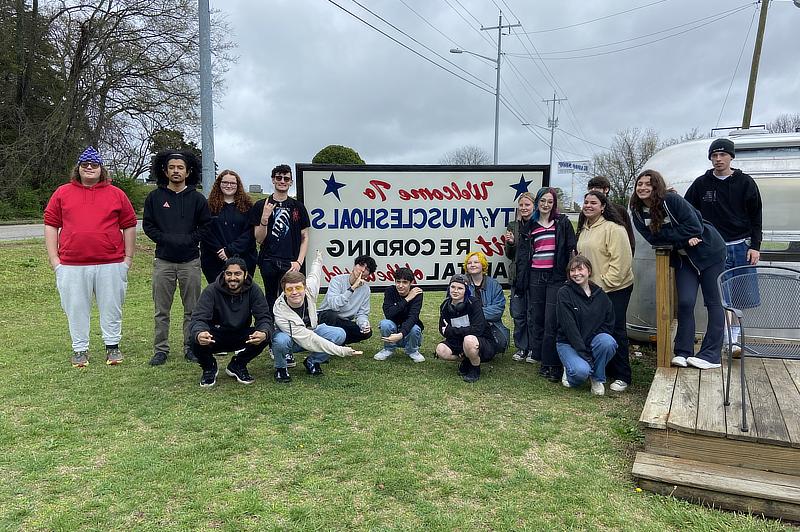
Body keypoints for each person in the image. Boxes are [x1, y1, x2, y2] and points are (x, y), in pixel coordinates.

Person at [44, 146, 137, 367]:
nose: (89, 168)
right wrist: (54, 259)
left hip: (111, 263)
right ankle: (79, 349)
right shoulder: (62, 193)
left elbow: (129, 226)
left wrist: (128, 259)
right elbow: (50, 224)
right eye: (85, 165)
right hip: (71, 264)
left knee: (111, 306)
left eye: (94, 165)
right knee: (75, 307)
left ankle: (112, 346)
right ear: (78, 168)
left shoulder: (117, 194)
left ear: (101, 168)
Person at [630, 170, 726, 370]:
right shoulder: (637, 212)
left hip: (709, 254)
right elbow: (653, 240)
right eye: (640, 184)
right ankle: (683, 351)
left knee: (713, 302)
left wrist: (670, 236)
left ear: (657, 186)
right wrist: (682, 240)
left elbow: (695, 227)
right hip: (683, 258)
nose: (643, 187)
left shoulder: (671, 200)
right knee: (685, 302)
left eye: (649, 184)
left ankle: (711, 354)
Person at [684, 138, 763, 352]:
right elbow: (687, 212)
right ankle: (724, 339)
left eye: (722, 155)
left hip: (740, 245)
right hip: (712, 248)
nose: (718, 159)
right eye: (714, 156)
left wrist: (755, 246)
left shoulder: (745, 182)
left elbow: (756, 217)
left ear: (731, 157)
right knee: (719, 296)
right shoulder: (701, 184)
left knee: (738, 295)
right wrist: (693, 234)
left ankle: (734, 340)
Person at [143, 149, 211, 366]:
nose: (176, 171)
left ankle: (190, 347)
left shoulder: (197, 199)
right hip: (163, 262)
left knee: (192, 310)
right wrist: (165, 239)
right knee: (161, 310)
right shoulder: (155, 197)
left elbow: (206, 226)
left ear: (188, 171)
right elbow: (148, 226)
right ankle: (160, 350)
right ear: (164, 170)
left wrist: (189, 240)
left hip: (190, 262)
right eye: (172, 167)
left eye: (180, 167)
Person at [505, 188, 576, 382]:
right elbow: (523, 256)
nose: (546, 204)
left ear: (554, 204)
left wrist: (570, 274)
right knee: (536, 319)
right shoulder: (531, 226)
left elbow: (571, 249)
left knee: (550, 319)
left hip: (555, 276)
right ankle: (538, 355)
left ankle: (550, 362)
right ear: (538, 203)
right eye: (542, 201)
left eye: (550, 201)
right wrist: (521, 279)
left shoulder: (562, 223)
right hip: (534, 276)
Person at [576, 191, 634, 392]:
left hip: (615, 289)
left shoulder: (614, 228)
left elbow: (622, 262)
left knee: (616, 329)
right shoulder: (584, 229)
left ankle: (622, 375)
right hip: (592, 289)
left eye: (594, 202)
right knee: (598, 330)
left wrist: (605, 284)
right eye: (586, 202)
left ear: (603, 207)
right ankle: (605, 369)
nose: (588, 206)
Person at [272, 251, 361, 382]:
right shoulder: (280, 310)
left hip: (311, 330)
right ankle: (281, 368)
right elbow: (309, 338)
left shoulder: (310, 289)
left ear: (305, 287)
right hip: (292, 339)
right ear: (284, 291)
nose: (295, 293)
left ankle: (312, 361)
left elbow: (315, 274)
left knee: (339, 334)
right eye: (290, 290)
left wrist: (318, 258)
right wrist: (342, 351)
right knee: (280, 341)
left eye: (298, 288)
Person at [189, 257, 273, 387]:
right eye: (229, 274)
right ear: (224, 274)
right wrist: (200, 333)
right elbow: (198, 318)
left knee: (266, 335)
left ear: (245, 274)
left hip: (241, 334)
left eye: (237, 274)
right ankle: (209, 367)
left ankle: (237, 365)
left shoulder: (254, 290)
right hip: (215, 335)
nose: (232, 278)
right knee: (194, 338)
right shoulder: (211, 290)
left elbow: (264, 317)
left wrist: (263, 332)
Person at [250, 164, 310, 312]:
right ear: (273, 180)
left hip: (291, 261)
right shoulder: (261, 205)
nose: (282, 181)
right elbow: (259, 238)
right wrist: (264, 218)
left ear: (291, 182)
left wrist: (299, 262)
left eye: (286, 178)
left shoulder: (298, 206)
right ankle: (270, 328)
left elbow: (305, 236)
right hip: (268, 260)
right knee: (270, 297)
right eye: (279, 177)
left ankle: (291, 329)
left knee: (292, 296)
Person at [556, 255, 617, 396]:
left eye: (580, 269)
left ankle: (597, 378)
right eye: (572, 270)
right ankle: (570, 371)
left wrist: (590, 345)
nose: (576, 274)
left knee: (607, 342)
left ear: (589, 271)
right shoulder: (564, 293)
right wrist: (584, 353)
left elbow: (609, 323)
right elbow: (569, 327)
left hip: (591, 342)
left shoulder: (600, 295)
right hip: (569, 343)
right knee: (580, 373)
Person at [435, 274, 496, 383]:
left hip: (481, 341)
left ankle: (475, 368)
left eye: (460, 288)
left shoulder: (474, 303)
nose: (455, 291)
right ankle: (467, 359)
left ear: (466, 290)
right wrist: (451, 333)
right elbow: (443, 330)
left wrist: (452, 331)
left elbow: (478, 329)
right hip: (458, 341)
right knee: (440, 350)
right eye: (453, 287)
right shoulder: (445, 306)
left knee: (469, 340)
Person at [200, 170, 257, 283]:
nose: (229, 185)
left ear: (238, 185)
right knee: (217, 295)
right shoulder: (208, 206)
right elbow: (205, 230)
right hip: (213, 259)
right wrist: (220, 251)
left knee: (242, 294)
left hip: (243, 258)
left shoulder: (248, 207)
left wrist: (230, 250)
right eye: (225, 182)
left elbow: (250, 233)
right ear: (219, 184)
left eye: (232, 183)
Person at [318, 255, 377, 345]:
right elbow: (334, 305)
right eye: (361, 265)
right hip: (325, 317)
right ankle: (324, 343)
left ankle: (339, 341)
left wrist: (364, 324)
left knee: (366, 333)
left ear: (368, 275)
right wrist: (352, 288)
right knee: (331, 315)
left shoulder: (366, 290)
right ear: (354, 266)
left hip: (344, 321)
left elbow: (362, 313)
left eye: (367, 269)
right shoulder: (337, 280)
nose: (363, 270)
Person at [374, 267, 425, 363]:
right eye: (398, 282)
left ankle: (412, 351)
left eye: (405, 282)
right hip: (394, 324)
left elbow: (413, 317)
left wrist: (401, 334)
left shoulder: (417, 293)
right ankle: (388, 349)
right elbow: (389, 314)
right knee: (385, 324)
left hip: (409, 329)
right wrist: (407, 299)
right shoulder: (390, 290)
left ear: (411, 282)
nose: (400, 285)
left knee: (415, 328)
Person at [463, 251, 510, 355]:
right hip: (468, 325)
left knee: (500, 344)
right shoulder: (461, 283)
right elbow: (455, 307)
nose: (472, 265)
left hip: (490, 325)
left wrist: (474, 313)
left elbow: (498, 310)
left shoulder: (494, 285)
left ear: (483, 265)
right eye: (469, 263)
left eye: (476, 262)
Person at [586, 175, 636, 255]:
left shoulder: (620, 210)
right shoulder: (586, 212)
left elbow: (629, 236)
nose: (592, 190)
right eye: (590, 188)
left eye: (596, 188)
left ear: (606, 190)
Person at [504, 205, 527, 361]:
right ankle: (522, 347)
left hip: (535, 275)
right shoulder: (513, 226)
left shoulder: (540, 225)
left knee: (533, 315)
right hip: (517, 275)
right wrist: (511, 243)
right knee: (518, 313)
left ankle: (534, 348)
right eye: (522, 205)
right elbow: (509, 254)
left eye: (528, 204)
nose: (524, 208)